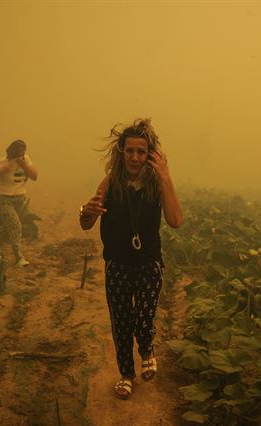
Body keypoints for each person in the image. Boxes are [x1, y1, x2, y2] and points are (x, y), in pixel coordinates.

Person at [79, 118, 183, 400]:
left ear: (149, 155)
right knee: (121, 322)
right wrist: (86, 211)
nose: (135, 157)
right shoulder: (111, 183)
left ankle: (146, 348)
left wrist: (165, 177)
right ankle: (126, 374)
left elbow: (175, 220)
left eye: (141, 151)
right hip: (118, 264)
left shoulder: (156, 184)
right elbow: (86, 223)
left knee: (144, 316)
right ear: (121, 152)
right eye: (130, 151)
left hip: (149, 263)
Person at [0, 139, 38, 266]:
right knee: (16, 225)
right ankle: (19, 257)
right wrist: (2, 170)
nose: (22, 154)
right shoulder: (3, 162)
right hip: (4, 199)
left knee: (9, 227)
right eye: (19, 152)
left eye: (24, 151)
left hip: (20, 199)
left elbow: (34, 176)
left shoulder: (26, 159)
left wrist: (25, 165)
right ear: (13, 152)